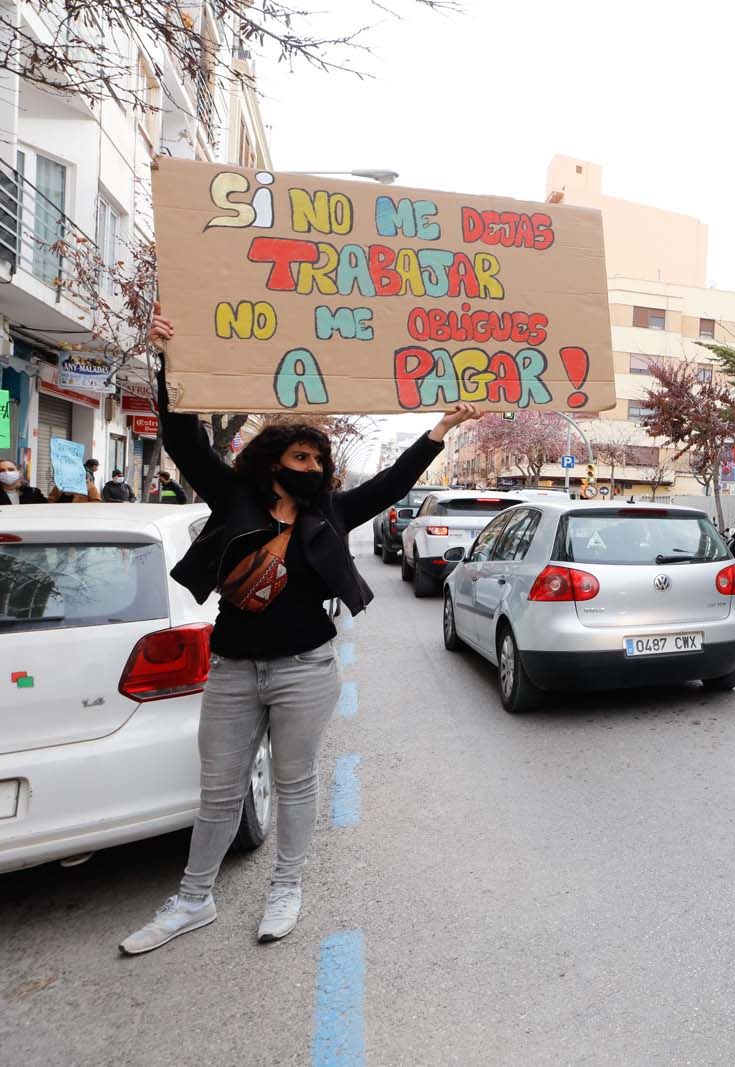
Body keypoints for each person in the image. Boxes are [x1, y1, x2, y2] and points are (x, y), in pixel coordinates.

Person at [119, 308, 482, 956]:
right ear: (271, 460)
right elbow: (181, 438)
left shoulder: (333, 513)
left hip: (306, 670)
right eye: (299, 453)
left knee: (295, 783)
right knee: (219, 789)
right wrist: (168, 359)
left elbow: (394, 482)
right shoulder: (235, 498)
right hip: (232, 670)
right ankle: (193, 897)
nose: (311, 464)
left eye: (318, 456)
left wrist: (439, 432)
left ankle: (286, 886)